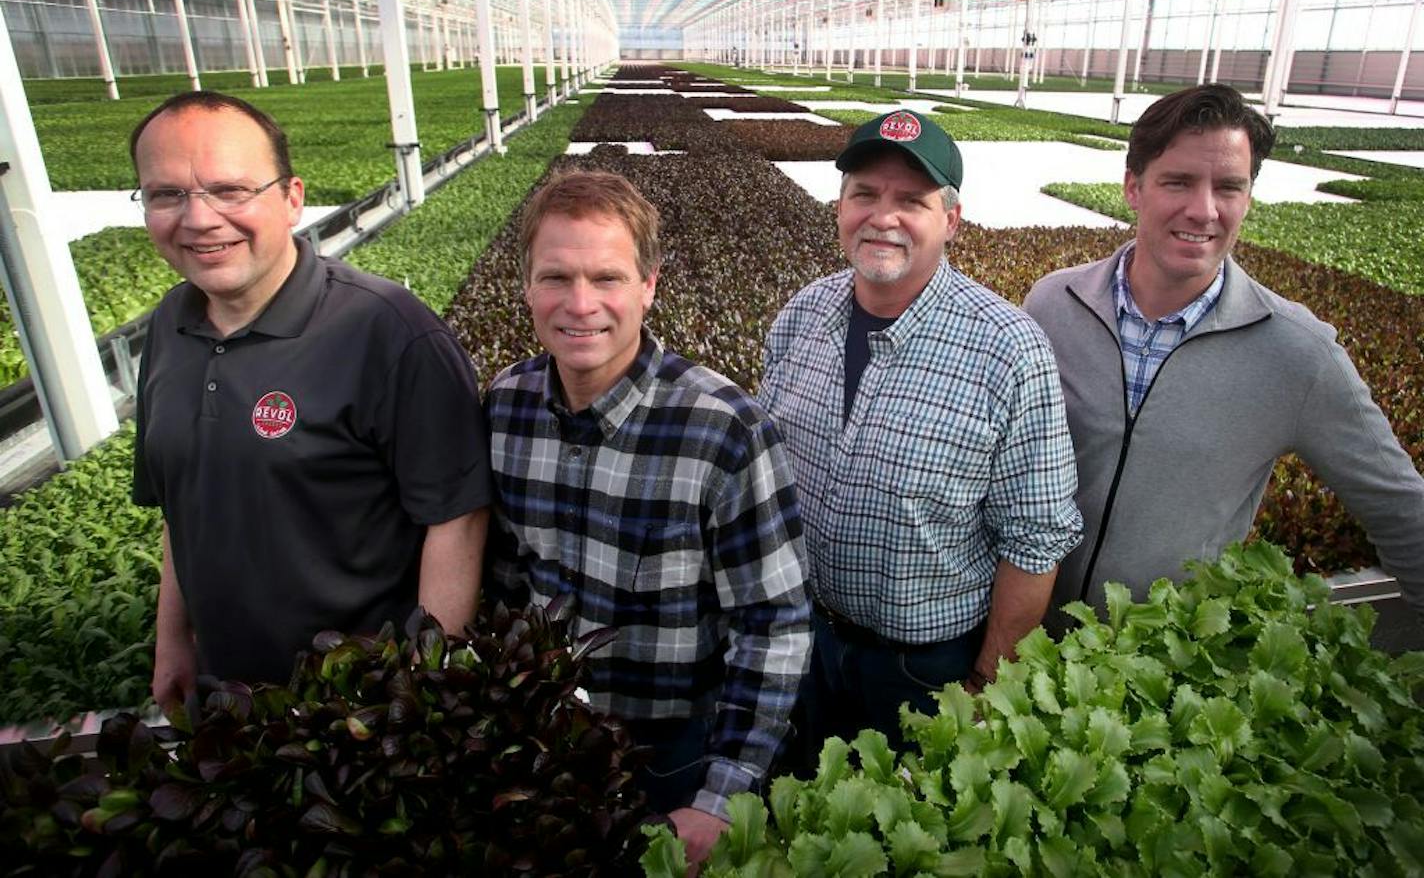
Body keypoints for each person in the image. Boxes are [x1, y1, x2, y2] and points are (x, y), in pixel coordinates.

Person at [484, 169, 810, 867]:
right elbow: (504, 582)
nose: (581, 305)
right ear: (525, 285)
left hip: (673, 758)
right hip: (548, 741)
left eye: (607, 278)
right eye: (555, 278)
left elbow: (773, 625)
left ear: (649, 285)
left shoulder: (723, 430)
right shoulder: (504, 407)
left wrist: (720, 797)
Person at [130, 91, 491, 703]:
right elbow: (181, 506)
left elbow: (457, 519)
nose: (199, 220)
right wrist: (173, 642)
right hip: (229, 699)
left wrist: (425, 687)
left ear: (291, 199)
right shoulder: (170, 325)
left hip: (363, 707)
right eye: (167, 195)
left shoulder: (390, 332)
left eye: (230, 190)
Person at [1023, 83, 1424, 616]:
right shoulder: (1053, 304)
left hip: (1161, 667)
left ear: (1248, 199)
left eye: (1228, 187)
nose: (1203, 210)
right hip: (1021, 640)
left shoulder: (1297, 353)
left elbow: (1401, 511)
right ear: (1133, 187)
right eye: (1178, 182)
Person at [757, 109, 1083, 754]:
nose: (884, 217)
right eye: (865, 195)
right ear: (840, 206)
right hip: (805, 642)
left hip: (925, 671)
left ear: (951, 220)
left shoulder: (1007, 350)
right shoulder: (803, 315)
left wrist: (987, 684)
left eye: (912, 200)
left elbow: (1037, 539)